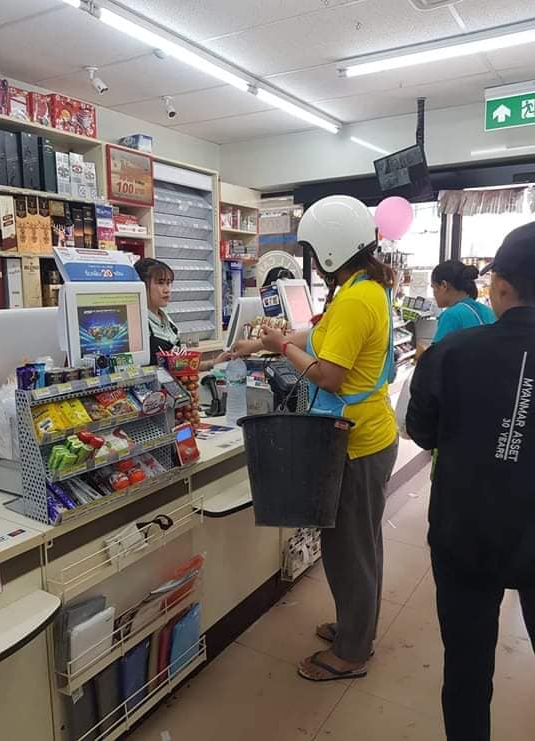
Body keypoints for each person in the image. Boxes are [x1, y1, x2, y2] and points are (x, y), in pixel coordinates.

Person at [236, 195, 398, 681]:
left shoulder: (355, 300)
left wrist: (281, 347)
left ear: (329, 248)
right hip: (367, 435)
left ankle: (352, 652)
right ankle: (356, 628)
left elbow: (328, 376)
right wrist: (261, 344)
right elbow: (319, 337)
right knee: (360, 543)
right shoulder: (364, 287)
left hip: (356, 442)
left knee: (350, 549)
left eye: (310, 250)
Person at [406, 222, 535, 741]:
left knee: (466, 667)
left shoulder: (452, 352)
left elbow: (421, 431)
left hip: (466, 531)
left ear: (499, 285)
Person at [134, 257, 229, 370]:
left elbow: (179, 365)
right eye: (160, 283)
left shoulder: (167, 320)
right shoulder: (137, 324)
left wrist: (213, 363)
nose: (167, 290)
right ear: (142, 286)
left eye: (168, 283)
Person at [431, 260, 495, 343]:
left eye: (433, 287)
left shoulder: (451, 315)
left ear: (444, 286)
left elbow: (438, 350)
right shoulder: (488, 311)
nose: (433, 294)